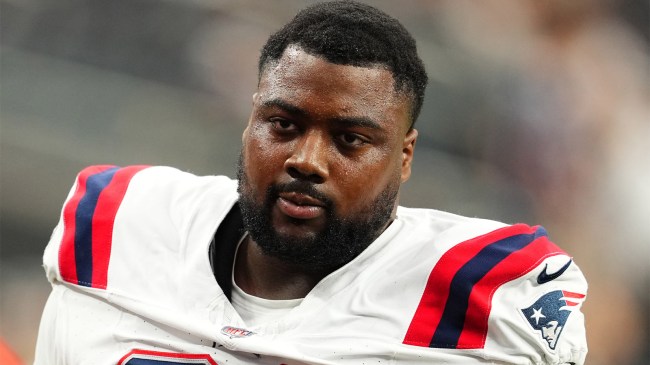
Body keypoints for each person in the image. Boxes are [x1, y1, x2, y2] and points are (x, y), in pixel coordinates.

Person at [33, 1, 588, 364]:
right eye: (284, 125)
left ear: (404, 157)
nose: (307, 160)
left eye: (350, 140)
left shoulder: (489, 298)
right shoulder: (124, 224)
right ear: (250, 121)